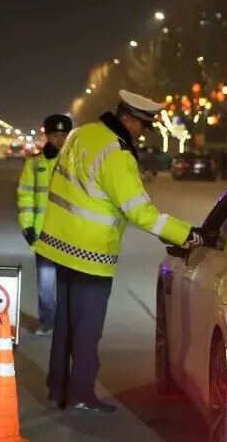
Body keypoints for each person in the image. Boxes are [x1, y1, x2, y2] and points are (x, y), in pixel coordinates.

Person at [36, 90, 206, 414]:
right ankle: (81, 394)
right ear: (127, 119)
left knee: (65, 324)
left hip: (59, 246)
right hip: (89, 253)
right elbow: (141, 213)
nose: (142, 133)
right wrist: (187, 234)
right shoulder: (117, 153)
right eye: (141, 126)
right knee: (87, 330)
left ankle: (57, 389)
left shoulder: (80, 134)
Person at [17, 114, 73, 336]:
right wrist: (27, 227)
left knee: (68, 286)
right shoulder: (34, 163)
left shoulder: (75, 164)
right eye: (55, 135)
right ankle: (48, 322)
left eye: (63, 135)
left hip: (71, 235)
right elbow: (25, 196)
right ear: (47, 136)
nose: (59, 140)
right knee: (46, 286)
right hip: (43, 235)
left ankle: (66, 324)